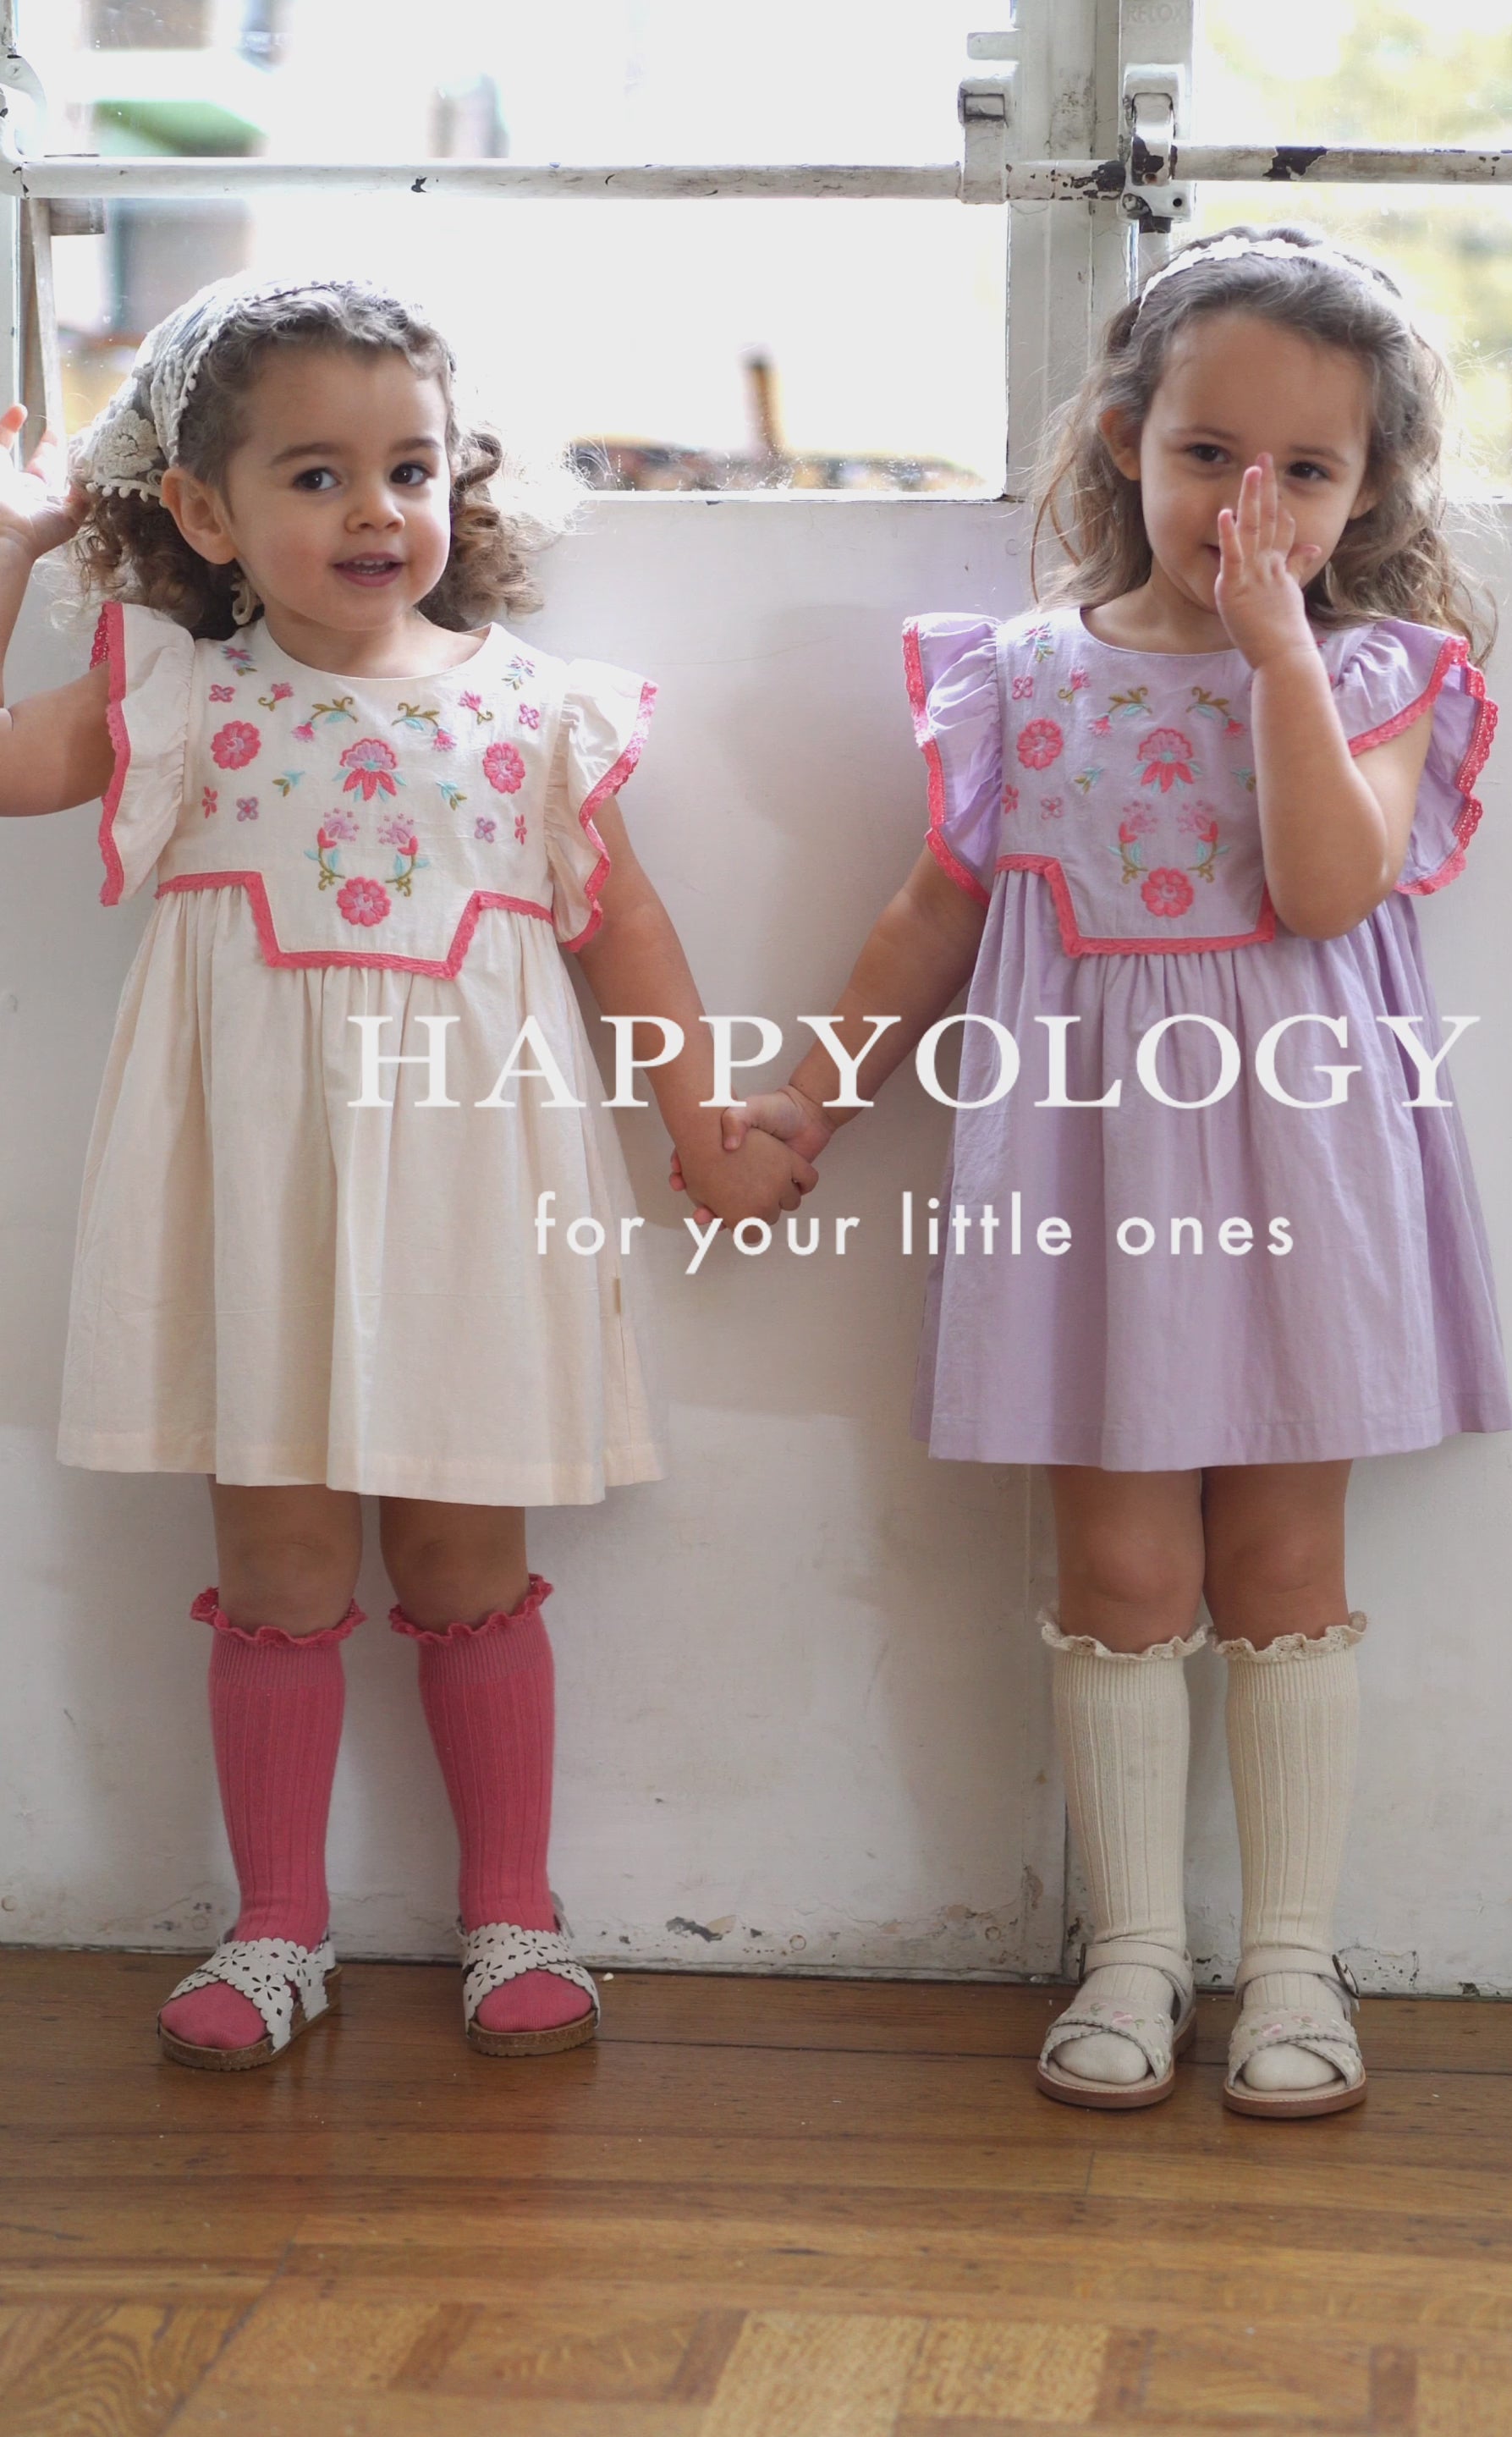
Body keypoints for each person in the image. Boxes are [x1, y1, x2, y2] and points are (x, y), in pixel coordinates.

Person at [700, 225, 1509, 2113]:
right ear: (1126, 440)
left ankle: (1292, 1964)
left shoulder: (1380, 674)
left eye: (1307, 470)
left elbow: (1328, 885)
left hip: (1305, 1173)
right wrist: (807, 1103)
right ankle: (1134, 1952)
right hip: (1089, 1181)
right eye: (1210, 453)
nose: (1251, 506)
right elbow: (930, 918)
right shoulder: (1021, 677)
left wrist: (1279, 652)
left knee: (1285, 1563)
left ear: (1370, 488)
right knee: (1126, 1568)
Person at [0, 274, 811, 2069]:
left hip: (465, 1203)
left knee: (463, 1555)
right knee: (280, 1564)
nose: (375, 511)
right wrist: (15, 544)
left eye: (411, 469)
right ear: (205, 511)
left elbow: (625, 932)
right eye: (315, 476)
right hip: (258, 1210)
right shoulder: (180, 701)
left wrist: (700, 1124)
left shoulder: (534, 712)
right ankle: (273, 1928)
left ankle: (512, 1909)